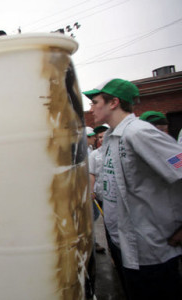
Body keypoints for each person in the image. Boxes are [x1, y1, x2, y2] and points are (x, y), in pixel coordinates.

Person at [83, 78, 182, 300]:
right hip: (126, 247)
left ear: (114, 102)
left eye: (95, 102)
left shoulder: (139, 133)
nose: (91, 108)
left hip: (150, 251)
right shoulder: (111, 138)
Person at [88, 124, 109, 254]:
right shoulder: (95, 154)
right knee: (108, 224)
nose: (101, 139)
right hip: (102, 196)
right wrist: (92, 190)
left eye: (104, 136)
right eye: (99, 137)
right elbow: (91, 174)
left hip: (119, 198)